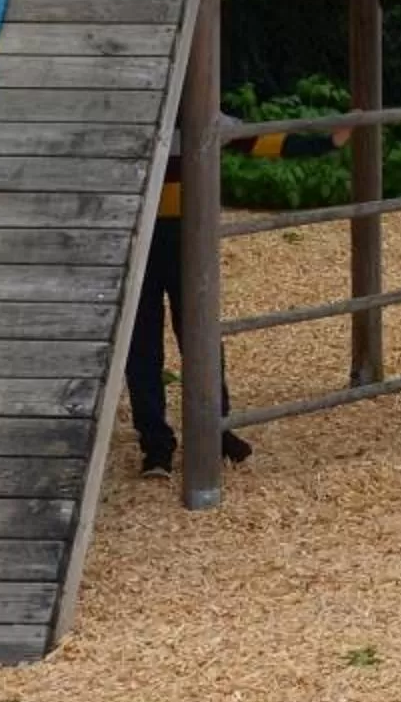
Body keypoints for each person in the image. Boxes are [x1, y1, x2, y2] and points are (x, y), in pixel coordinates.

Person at [130, 111, 347, 475]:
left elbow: (262, 141)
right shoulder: (132, 116)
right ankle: (155, 443)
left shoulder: (203, 116)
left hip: (188, 236)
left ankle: (215, 428)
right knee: (142, 344)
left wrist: (328, 141)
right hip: (138, 237)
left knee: (200, 338)